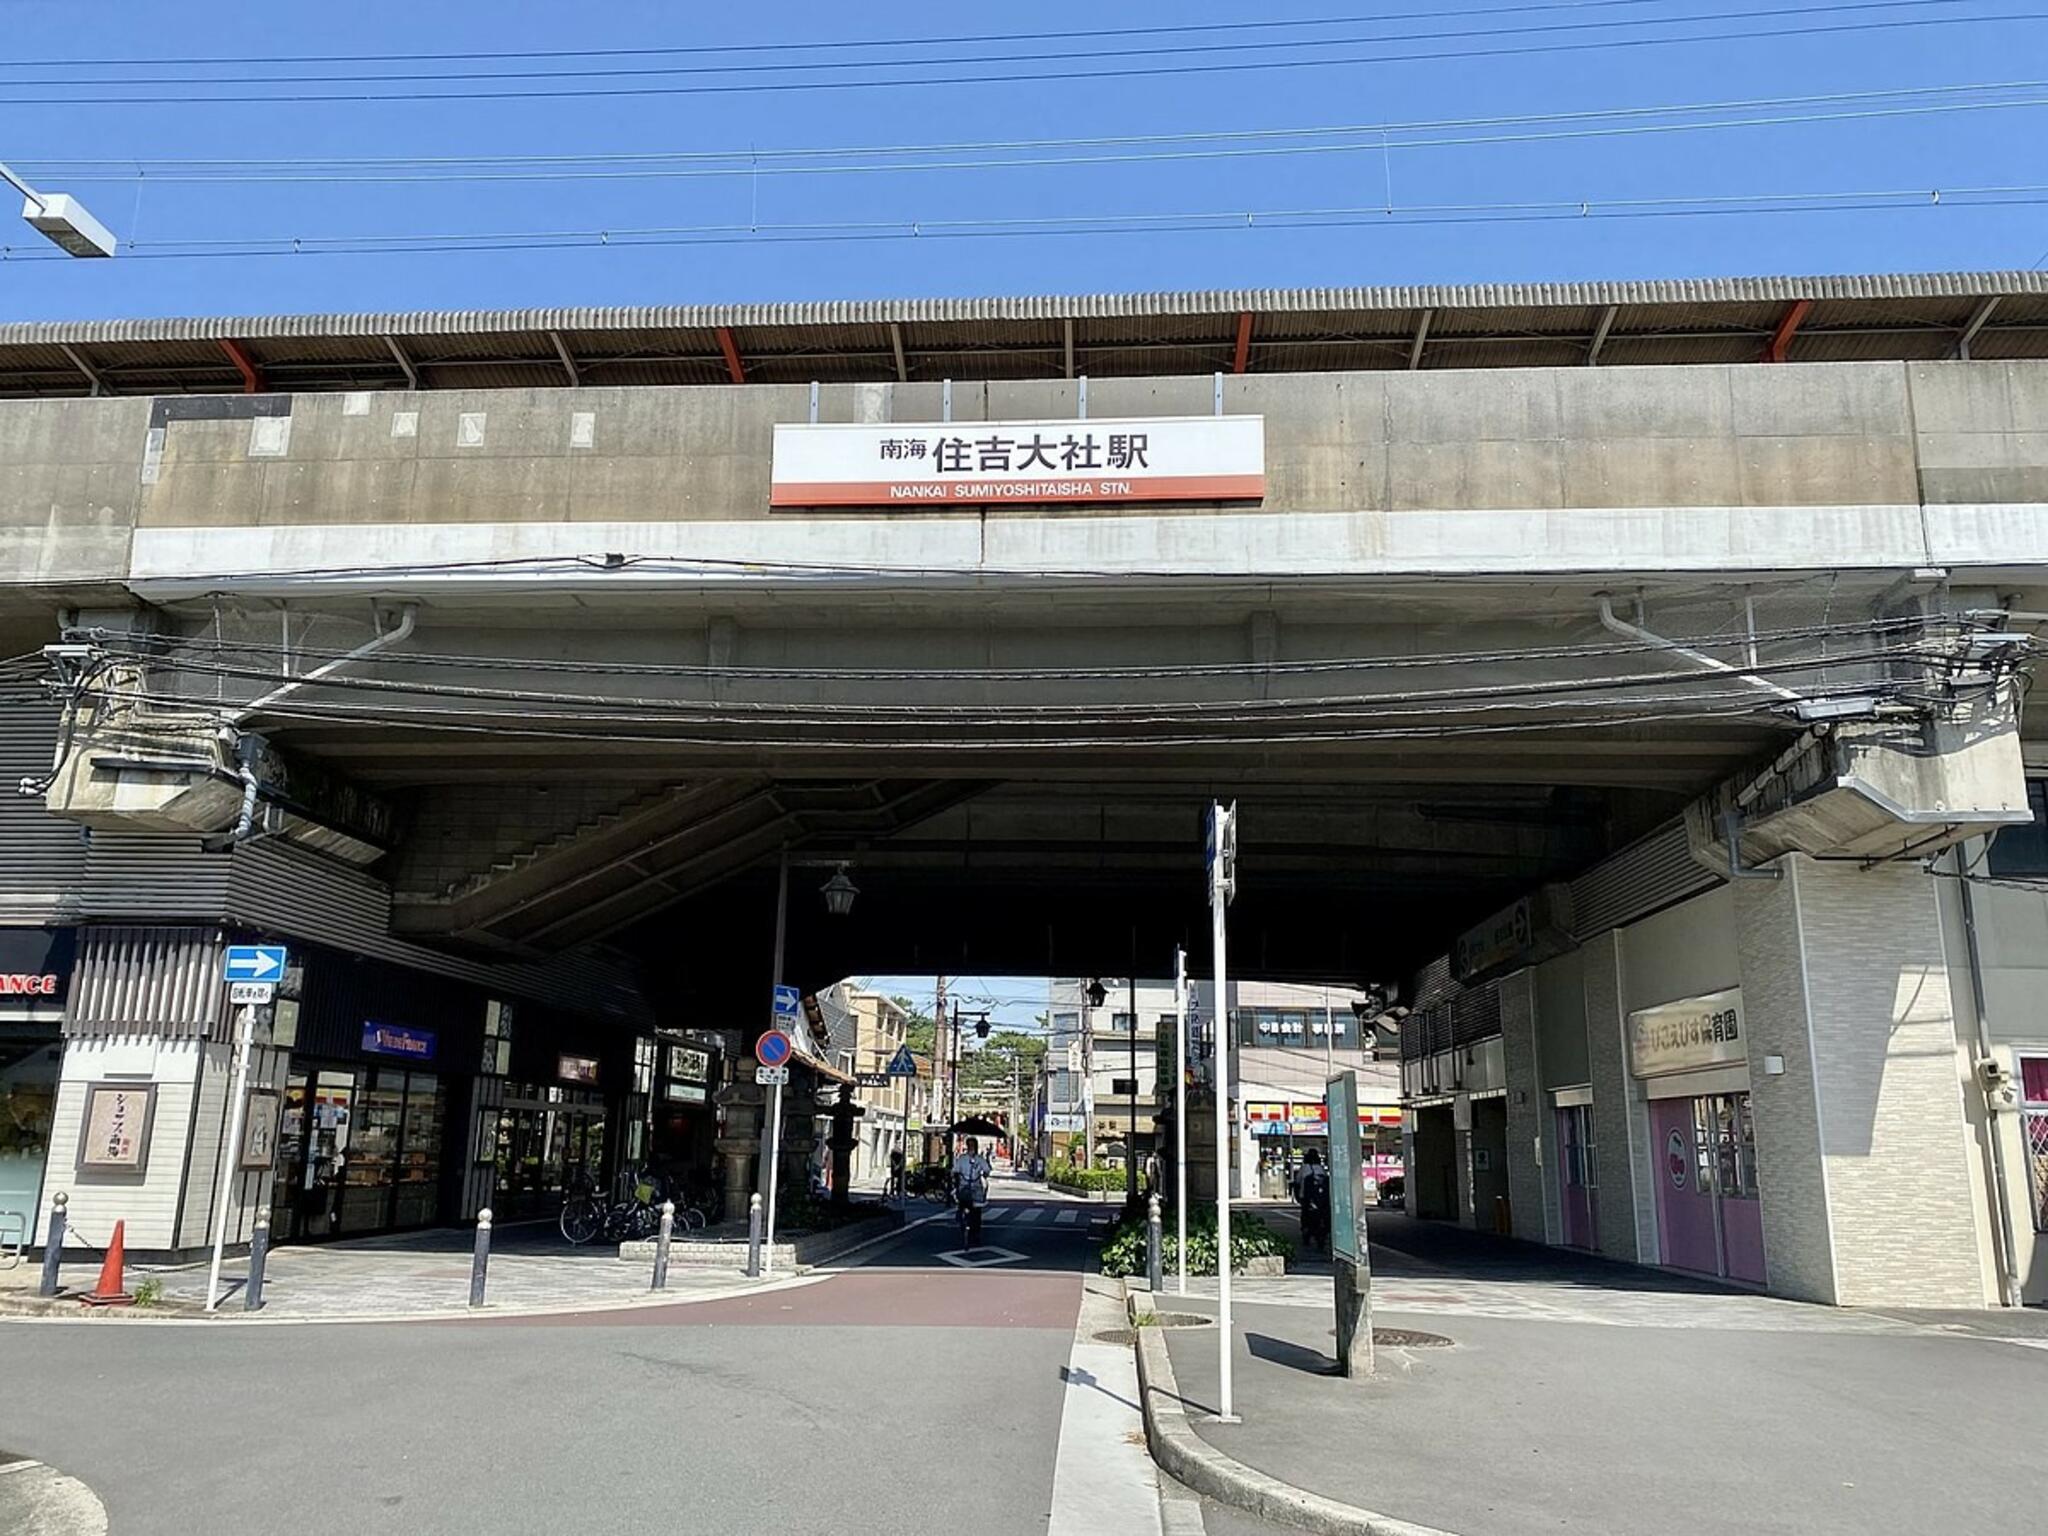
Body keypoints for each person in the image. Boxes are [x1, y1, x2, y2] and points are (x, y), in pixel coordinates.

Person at [952, 1135, 992, 1247]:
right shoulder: (979, 1159)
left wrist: (957, 1177)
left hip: (964, 1186)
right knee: (977, 1212)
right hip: (975, 1187)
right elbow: (987, 1171)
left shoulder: (961, 1158)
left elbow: (955, 1171)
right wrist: (984, 1173)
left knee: (963, 1202)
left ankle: (961, 1215)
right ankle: (976, 1233)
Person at [1296, 1147, 1331, 1252]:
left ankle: (1306, 1231)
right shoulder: (1320, 1168)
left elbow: (1298, 1182)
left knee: (1305, 1215)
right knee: (1324, 1215)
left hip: (1306, 1197)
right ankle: (1322, 1233)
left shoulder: (1304, 1168)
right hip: (1321, 1199)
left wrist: (1298, 1196)